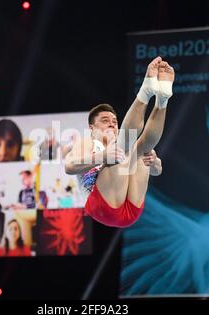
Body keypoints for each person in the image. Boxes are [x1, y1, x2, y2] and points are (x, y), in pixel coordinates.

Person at [65, 56, 173, 228]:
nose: (112, 123)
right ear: (92, 128)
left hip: (132, 209)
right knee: (120, 151)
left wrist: (154, 163)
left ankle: (163, 99)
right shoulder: (87, 142)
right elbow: (69, 167)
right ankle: (145, 91)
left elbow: (157, 171)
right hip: (102, 206)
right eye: (105, 120)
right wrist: (102, 156)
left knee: (142, 148)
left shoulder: (122, 146)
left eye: (114, 121)